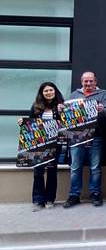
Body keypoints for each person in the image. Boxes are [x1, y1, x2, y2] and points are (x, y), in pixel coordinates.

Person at [62, 72, 106, 208]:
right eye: (86, 81)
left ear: (95, 81)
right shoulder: (74, 95)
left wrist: (102, 109)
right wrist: (62, 109)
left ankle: (95, 193)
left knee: (95, 167)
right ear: (81, 82)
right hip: (76, 137)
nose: (88, 84)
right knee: (75, 167)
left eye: (91, 81)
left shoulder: (103, 94)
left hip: (96, 135)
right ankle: (74, 195)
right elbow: (67, 114)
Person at [19, 82, 65, 210]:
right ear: (42, 93)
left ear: (55, 91)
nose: (49, 92)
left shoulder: (61, 106)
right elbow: (30, 123)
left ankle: (50, 199)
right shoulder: (35, 106)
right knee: (38, 172)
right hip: (39, 144)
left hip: (54, 143)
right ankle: (38, 200)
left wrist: (63, 111)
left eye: (51, 90)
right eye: (46, 91)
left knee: (52, 171)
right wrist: (22, 122)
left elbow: (67, 123)